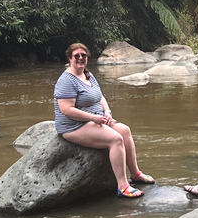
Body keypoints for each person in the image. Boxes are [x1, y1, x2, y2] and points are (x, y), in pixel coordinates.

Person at [54, 43, 154, 198]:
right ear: (69, 58)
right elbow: (66, 110)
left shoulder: (88, 74)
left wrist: (107, 111)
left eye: (84, 55)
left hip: (96, 119)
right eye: (77, 56)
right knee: (115, 139)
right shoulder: (66, 80)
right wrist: (93, 118)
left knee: (125, 131)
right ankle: (123, 186)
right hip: (74, 126)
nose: (80, 58)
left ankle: (135, 174)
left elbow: (100, 97)